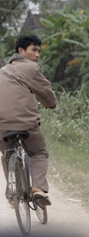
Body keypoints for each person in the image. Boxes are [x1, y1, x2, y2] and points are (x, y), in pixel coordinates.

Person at [0, 35, 57, 207]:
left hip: (1, 125)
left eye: (39, 51)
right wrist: (51, 104)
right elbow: (45, 91)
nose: (37, 54)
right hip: (27, 125)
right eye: (34, 50)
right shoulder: (31, 68)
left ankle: (13, 194)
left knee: (7, 154)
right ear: (21, 51)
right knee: (39, 152)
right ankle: (38, 188)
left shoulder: (1, 72)